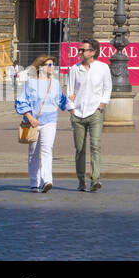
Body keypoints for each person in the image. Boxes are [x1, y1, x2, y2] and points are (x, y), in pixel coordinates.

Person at [15, 55, 70, 193]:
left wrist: (72, 102)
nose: (52, 67)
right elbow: (21, 101)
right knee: (34, 153)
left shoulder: (55, 83)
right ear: (40, 67)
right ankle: (34, 181)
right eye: (49, 65)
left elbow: (62, 101)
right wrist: (30, 117)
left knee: (47, 150)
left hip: (50, 122)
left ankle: (47, 180)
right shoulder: (31, 83)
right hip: (33, 123)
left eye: (53, 65)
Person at [66, 38, 111, 192]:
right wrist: (71, 109)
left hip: (95, 113)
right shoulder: (74, 69)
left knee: (95, 146)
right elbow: (69, 90)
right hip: (78, 114)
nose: (80, 52)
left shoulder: (103, 68)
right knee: (79, 149)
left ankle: (95, 179)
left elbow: (107, 88)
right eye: (80, 50)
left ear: (93, 52)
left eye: (83, 50)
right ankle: (81, 180)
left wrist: (102, 105)